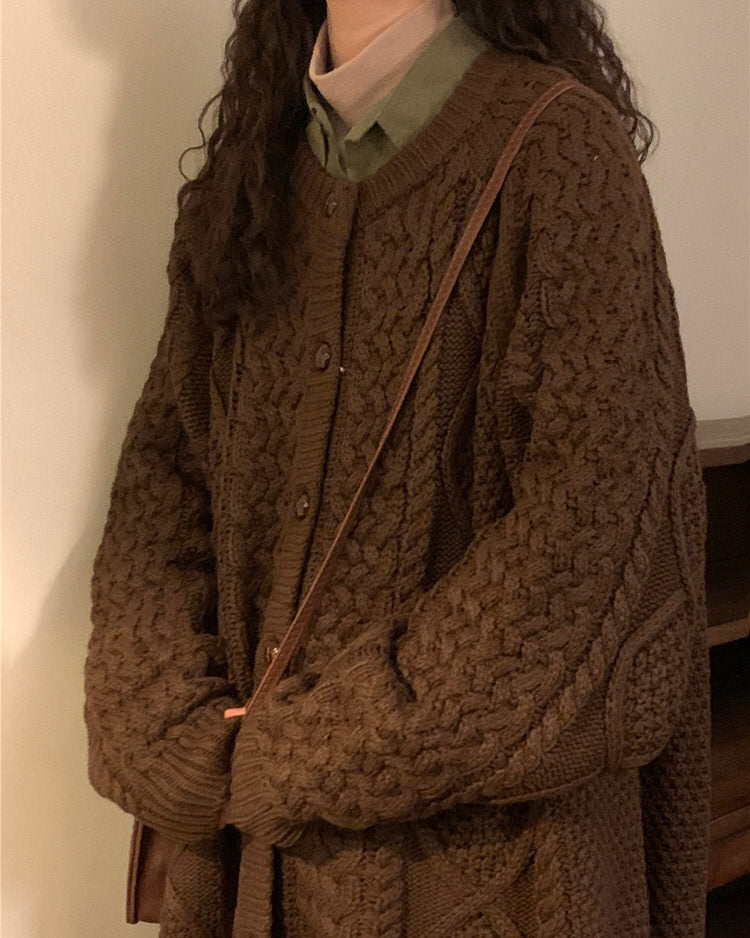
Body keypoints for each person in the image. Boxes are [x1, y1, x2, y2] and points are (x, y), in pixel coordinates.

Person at [83, 0, 712, 935]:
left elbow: (589, 558)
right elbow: (162, 493)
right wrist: (159, 727)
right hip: (251, 879)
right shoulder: (249, 180)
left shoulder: (558, 153)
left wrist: (286, 758)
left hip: (494, 887)